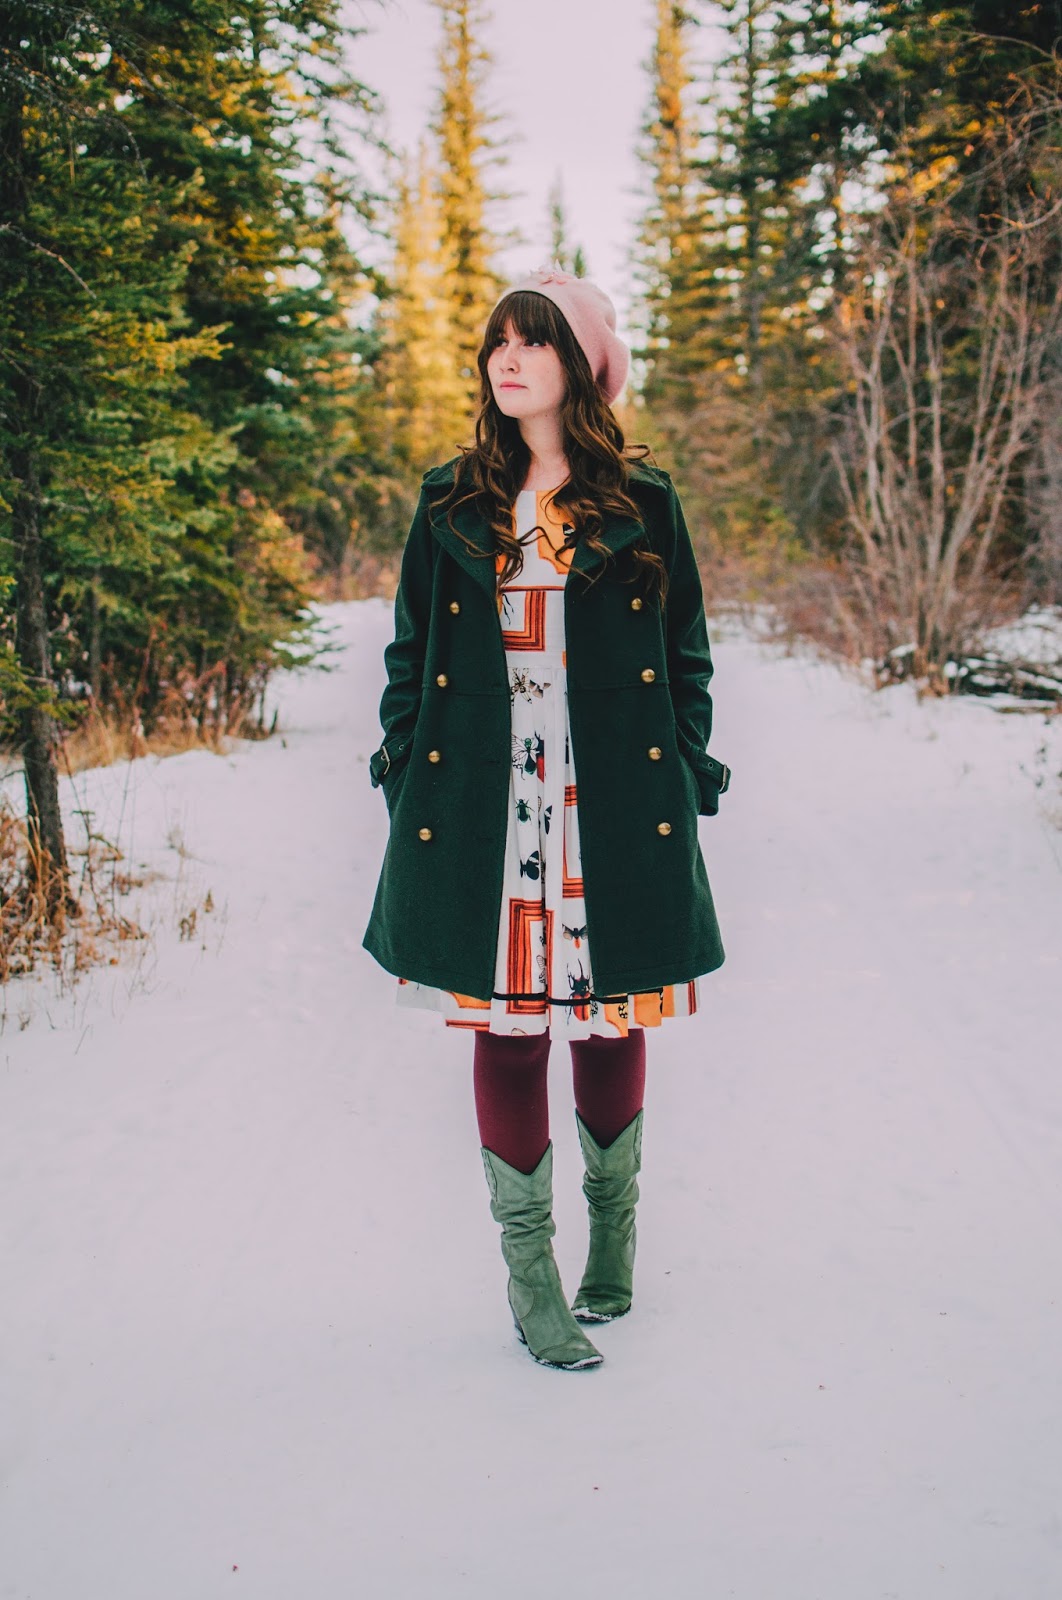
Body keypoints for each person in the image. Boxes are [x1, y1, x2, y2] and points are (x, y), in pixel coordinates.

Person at [363, 266, 730, 1371]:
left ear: (580, 365)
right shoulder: (452, 500)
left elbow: (687, 657)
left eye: (533, 342)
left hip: (611, 792)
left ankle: (612, 1240)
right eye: (498, 343)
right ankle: (532, 1279)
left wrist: (685, 769)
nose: (507, 360)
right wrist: (403, 768)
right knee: (511, 1029)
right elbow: (409, 652)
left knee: (612, 1017)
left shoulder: (643, 504)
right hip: (489, 795)